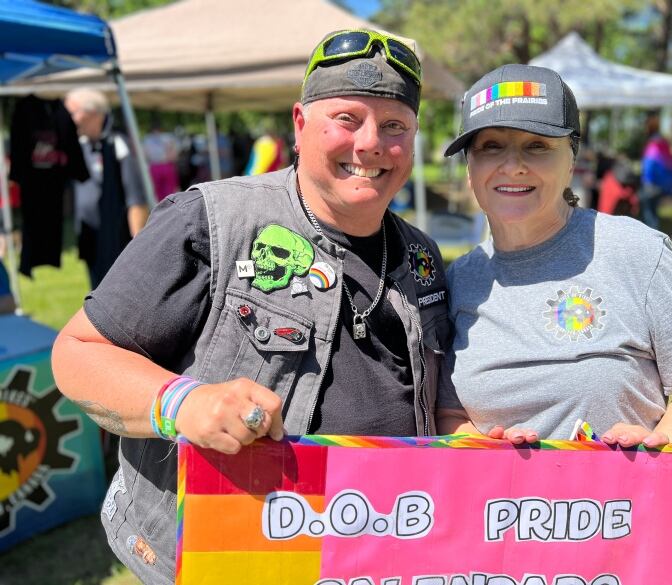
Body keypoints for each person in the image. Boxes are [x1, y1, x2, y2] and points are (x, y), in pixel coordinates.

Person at [52, 29, 450, 584]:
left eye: (394, 126)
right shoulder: (212, 222)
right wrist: (182, 404)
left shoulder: (422, 255)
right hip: (227, 559)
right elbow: (77, 353)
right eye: (347, 119)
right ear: (299, 123)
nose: (370, 144)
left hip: (380, 551)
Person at [436, 64, 672, 452]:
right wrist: (480, 448)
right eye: (491, 146)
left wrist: (660, 442)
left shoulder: (635, 250)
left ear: (572, 161)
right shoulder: (459, 278)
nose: (512, 165)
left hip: (618, 507)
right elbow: (450, 410)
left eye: (538, 145)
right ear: (470, 169)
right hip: (496, 508)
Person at [64, 88, 149, 289]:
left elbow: (136, 198)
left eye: (73, 113)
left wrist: (139, 246)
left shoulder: (118, 143)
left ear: (93, 113)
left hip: (116, 240)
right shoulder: (80, 145)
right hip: (90, 239)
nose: (69, 120)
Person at [638, 116, 672, 230]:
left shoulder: (653, 144)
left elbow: (649, 164)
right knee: (653, 212)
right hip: (662, 183)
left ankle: (651, 243)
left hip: (651, 183)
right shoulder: (664, 143)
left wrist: (645, 180)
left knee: (648, 216)